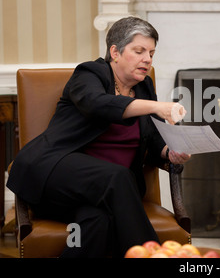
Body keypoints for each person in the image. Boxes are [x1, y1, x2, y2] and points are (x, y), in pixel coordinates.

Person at [7, 17, 191, 257]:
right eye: (139, 51)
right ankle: (155, 255)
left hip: (104, 194)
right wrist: (155, 107)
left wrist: (170, 152)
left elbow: (154, 139)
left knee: (98, 221)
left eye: (151, 53)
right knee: (118, 176)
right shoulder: (90, 73)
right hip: (54, 177)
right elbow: (97, 104)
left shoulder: (144, 87)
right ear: (115, 52)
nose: (147, 59)